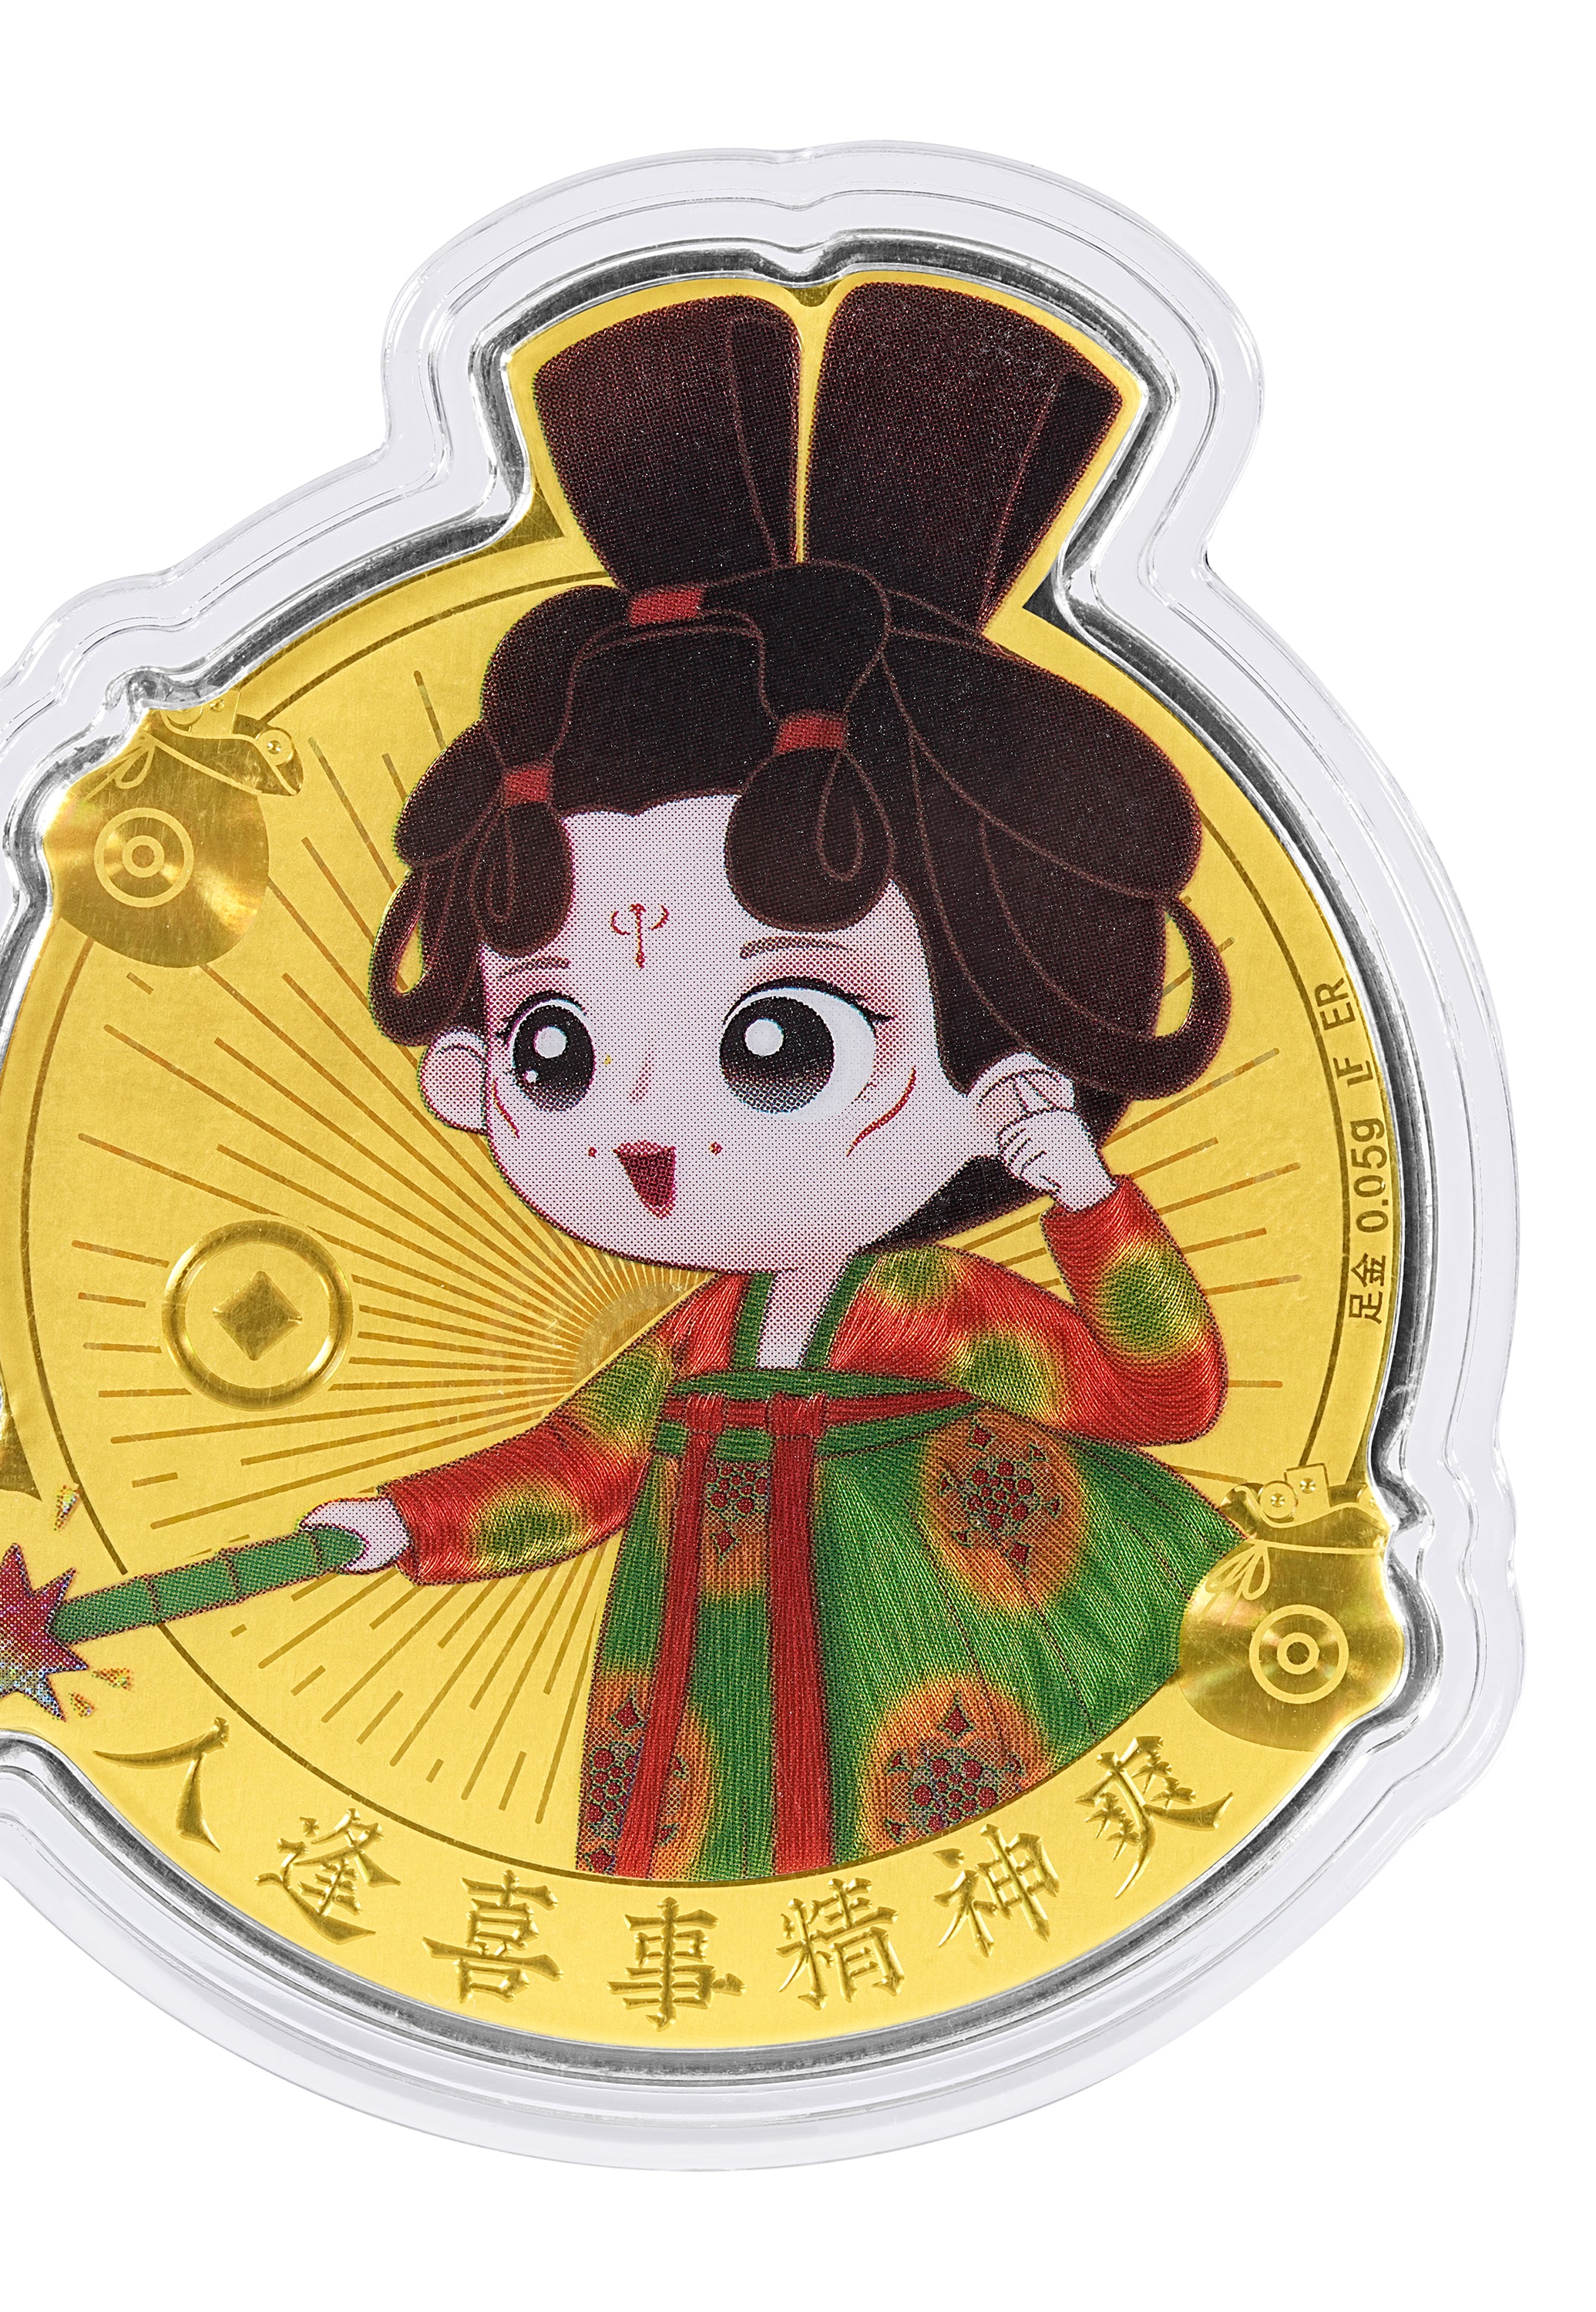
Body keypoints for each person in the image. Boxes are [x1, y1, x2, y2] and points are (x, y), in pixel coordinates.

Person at [301, 282, 1242, 1883]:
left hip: (934, 1699)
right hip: (713, 1722)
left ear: (1003, 1031)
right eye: (554, 1047)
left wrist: (1085, 1196)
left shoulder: (926, 1305)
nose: (646, 1133)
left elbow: (1159, 1400)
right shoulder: (702, 1339)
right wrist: (408, 1521)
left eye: (778, 1042)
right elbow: (578, 1469)